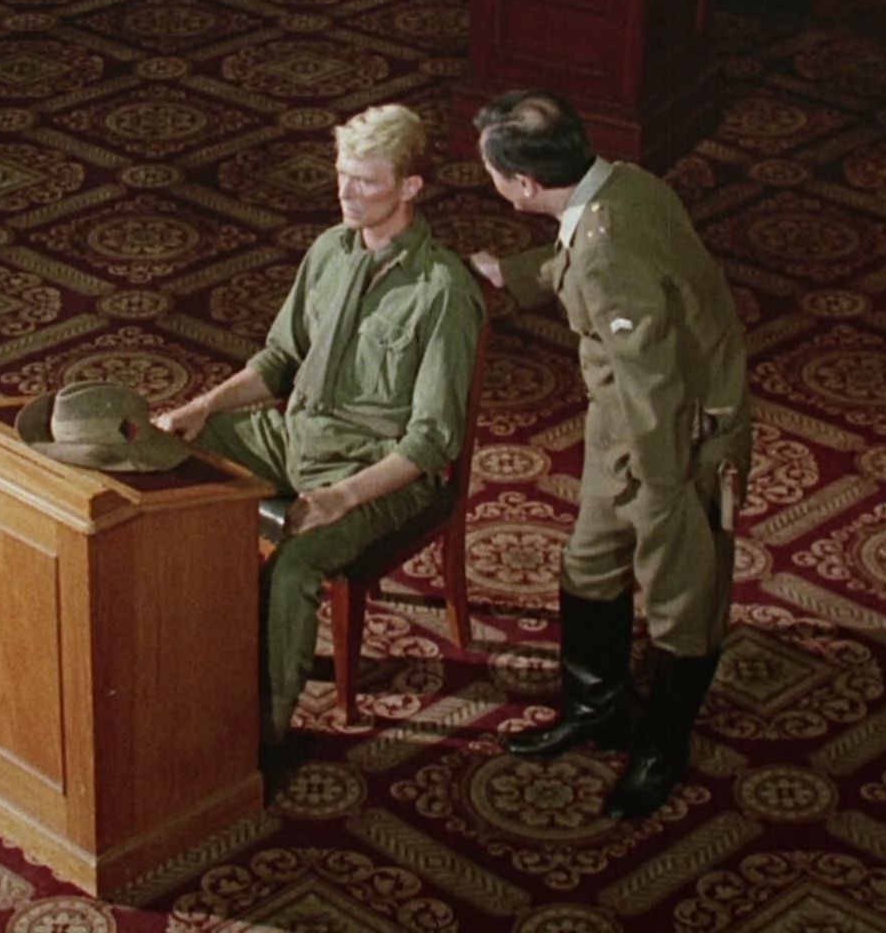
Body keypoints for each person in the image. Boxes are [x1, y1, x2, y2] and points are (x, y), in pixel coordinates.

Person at [156, 103, 483, 783]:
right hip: (296, 435)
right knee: (170, 457)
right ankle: (184, 665)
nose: (346, 193)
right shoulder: (330, 251)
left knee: (295, 567)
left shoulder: (443, 290)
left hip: (377, 470)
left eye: (365, 181)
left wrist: (342, 497)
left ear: (410, 187)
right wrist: (202, 407)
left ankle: (266, 739)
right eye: (341, 175)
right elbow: (279, 360)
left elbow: (431, 442)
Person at [468, 88, 751, 821]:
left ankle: (662, 748)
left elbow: (651, 378)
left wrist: (661, 488)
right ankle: (597, 711)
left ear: (524, 183)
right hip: (621, 420)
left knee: (681, 597)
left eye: (492, 172)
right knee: (591, 562)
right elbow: (596, 256)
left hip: (675, 438)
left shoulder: (603, 252)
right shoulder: (623, 185)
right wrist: (516, 274)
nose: (490, 181)